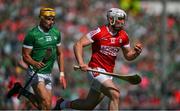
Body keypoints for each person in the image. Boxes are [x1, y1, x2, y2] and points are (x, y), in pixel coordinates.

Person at [54, 8, 143, 110]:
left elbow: (128, 56)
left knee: (88, 105)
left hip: (108, 74)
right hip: (96, 71)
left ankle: (61, 104)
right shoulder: (99, 32)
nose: (122, 22)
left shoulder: (124, 36)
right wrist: (81, 63)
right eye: (120, 18)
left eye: (123, 19)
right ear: (111, 19)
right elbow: (78, 44)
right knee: (115, 94)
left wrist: (136, 53)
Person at [6, 7, 67, 110]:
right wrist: (34, 63)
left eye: (53, 19)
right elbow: (25, 56)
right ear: (41, 18)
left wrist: (62, 74)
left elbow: (60, 53)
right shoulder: (32, 34)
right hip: (36, 73)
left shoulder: (56, 33)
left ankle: (21, 90)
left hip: (48, 73)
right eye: (48, 19)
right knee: (46, 103)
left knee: (45, 107)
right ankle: (21, 90)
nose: (51, 22)